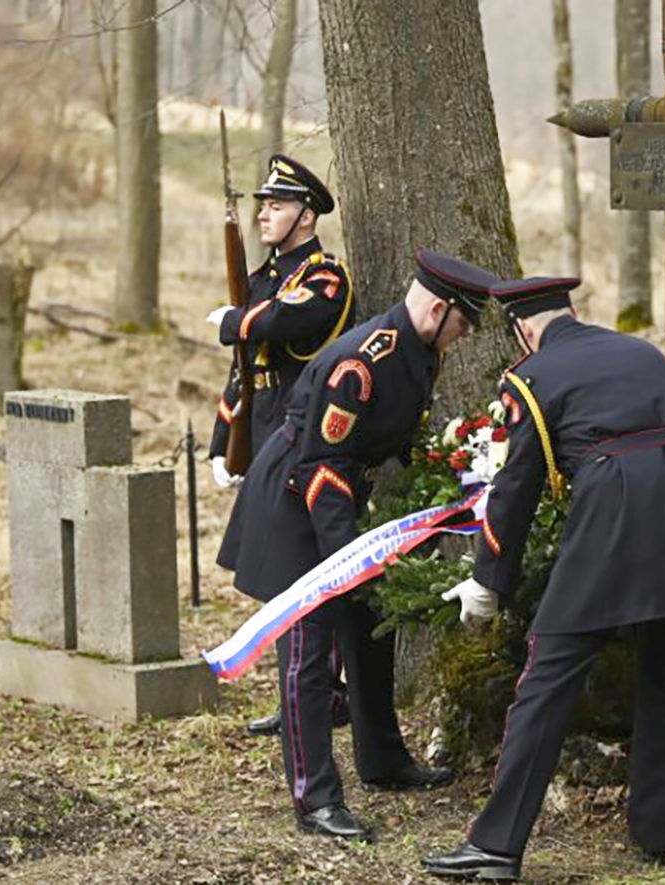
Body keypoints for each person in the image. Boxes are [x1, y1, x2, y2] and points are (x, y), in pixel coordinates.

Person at [422, 275, 665, 881]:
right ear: (570, 312)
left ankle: (496, 844)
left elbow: (517, 486)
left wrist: (489, 580)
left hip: (617, 503)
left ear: (525, 331)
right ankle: (656, 832)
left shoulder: (532, 376)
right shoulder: (640, 350)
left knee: (549, 671)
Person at [217, 250, 494, 841]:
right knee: (308, 652)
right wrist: (348, 560)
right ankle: (314, 797)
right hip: (297, 500)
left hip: (341, 499)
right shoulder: (359, 365)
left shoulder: (422, 353)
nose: (464, 338)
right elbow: (322, 465)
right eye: (464, 325)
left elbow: (397, 438)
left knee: (372, 626)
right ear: (440, 310)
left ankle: (383, 759)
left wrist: (459, 468)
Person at [206, 153, 355, 737]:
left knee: (304, 567)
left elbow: (280, 324)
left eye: (277, 206)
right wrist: (224, 436)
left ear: (307, 215)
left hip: (305, 434)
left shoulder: (323, 277)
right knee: (275, 571)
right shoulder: (266, 279)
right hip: (263, 425)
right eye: (262, 205)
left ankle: (324, 689)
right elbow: (244, 367)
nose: (264, 215)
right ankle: (297, 689)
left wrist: (234, 320)